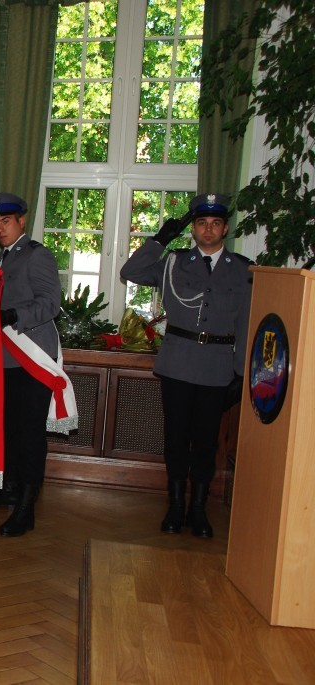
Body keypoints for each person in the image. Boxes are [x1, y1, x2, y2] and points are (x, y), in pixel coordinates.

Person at [121, 193, 252, 538]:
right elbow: (130, 271)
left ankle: (199, 510)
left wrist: (241, 373)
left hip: (218, 368)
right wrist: (160, 239)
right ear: (193, 229)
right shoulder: (173, 263)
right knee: (176, 438)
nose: (208, 229)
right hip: (178, 364)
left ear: (225, 228)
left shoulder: (242, 270)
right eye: (201, 223)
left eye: (215, 223)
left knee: (206, 442)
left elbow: (247, 325)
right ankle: (176, 505)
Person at [0, 193, 62, 537]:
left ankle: (26, 508)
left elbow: (51, 303)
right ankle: (9, 489)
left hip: (32, 357)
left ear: (22, 221)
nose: (1, 229)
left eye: (6, 222)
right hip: (6, 358)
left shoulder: (36, 255)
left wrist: (15, 315)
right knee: (9, 429)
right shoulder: (0, 258)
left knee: (29, 435)